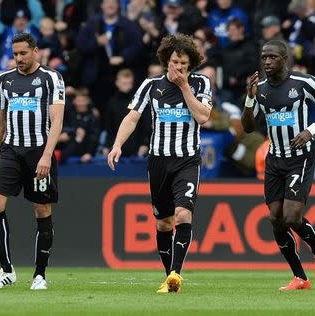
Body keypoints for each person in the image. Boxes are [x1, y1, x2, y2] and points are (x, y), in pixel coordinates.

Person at [107, 33, 212, 293]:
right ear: (167, 60)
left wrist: (184, 86)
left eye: (184, 64)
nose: (179, 67)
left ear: (191, 65)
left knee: (183, 214)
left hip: (187, 159)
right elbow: (132, 117)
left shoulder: (201, 84)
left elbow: (203, 117)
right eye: (175, 62)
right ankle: (169, 277)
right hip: (158, 161)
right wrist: (117, 144)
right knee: (163, 223)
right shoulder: (151, 85)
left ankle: (175, 274)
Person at [241, 40, 315, 290]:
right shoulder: (259, 88)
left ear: (284, 59)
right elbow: (249, 128)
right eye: (263, 57)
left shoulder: (304, 83)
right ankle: (300, 278)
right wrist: (250, 100)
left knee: (292, 216)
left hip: (300, 157)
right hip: (275, 159)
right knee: (275, 219)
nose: (267, 62)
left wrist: (310, 130)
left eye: (272, 57)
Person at [0, 33, 65, 290]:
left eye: (23, 53)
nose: (18, 58)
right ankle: (7, 270)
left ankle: (39, 274)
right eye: (15, 54)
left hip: (39, 151)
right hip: (10, 151)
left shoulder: (51, 78)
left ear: (35, 51)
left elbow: (57, 121)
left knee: (41, 209)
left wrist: (47, 155)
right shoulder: (4, 80)